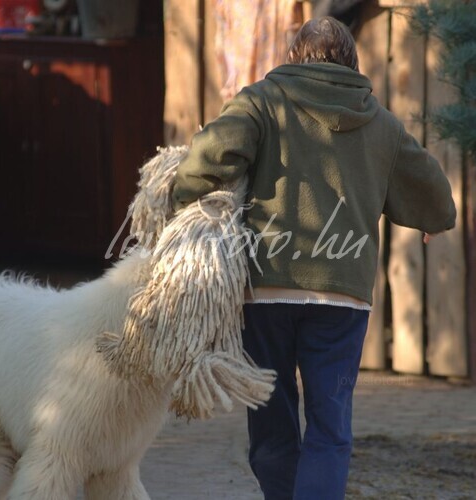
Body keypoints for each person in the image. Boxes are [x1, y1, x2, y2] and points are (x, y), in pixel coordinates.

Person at [171, 16, 456, 500]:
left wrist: (186, 199)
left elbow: (205, 159)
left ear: (294, 57)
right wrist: (433, 220)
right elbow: (432, 190)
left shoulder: (260, 102)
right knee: (329, 426)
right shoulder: (381, 122)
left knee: (271, 420)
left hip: (266, 290)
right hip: (342, 297)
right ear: (351, 61)